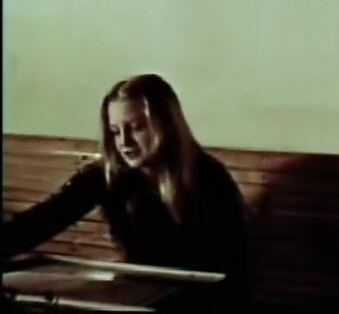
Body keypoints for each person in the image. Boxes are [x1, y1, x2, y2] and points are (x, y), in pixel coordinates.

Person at [1, 74, 248, 312]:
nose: (125, 142)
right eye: (115, 131)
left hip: (198, 300)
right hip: (134, 294)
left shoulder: (208, 178)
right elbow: (44, 218)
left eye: (137, 128)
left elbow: (229, 269)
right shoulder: (108, 174)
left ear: (166, 125)